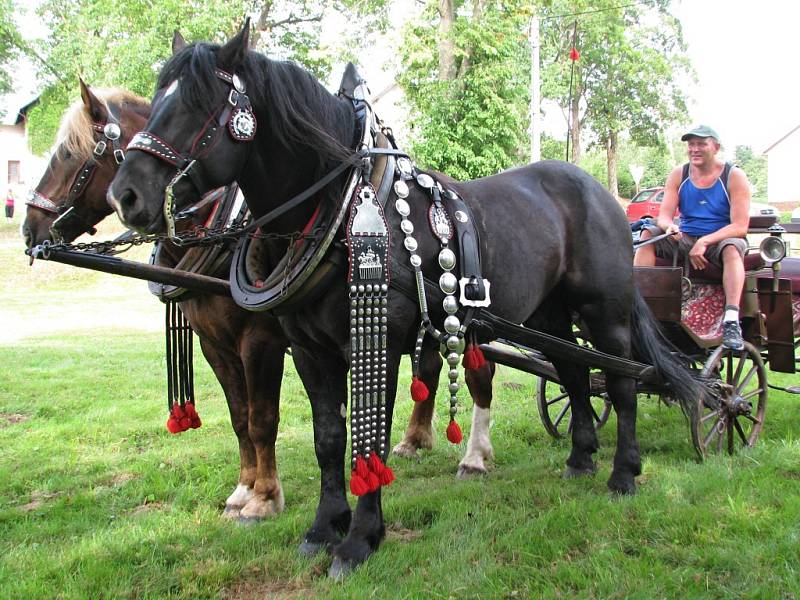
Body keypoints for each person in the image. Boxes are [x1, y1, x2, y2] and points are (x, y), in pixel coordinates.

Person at [633, 125, 751, 350]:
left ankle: (731, 319)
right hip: (685, 237)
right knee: (648, 234)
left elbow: (739, 226)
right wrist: (669, 228)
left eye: (701, 144)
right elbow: (664, 217)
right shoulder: (680, 174)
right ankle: (640, 306)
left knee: (732, 249)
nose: (694, 149)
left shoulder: (733, 176)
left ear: (715, 147)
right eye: (691, 144)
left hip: (720, 239)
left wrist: (705, 241)